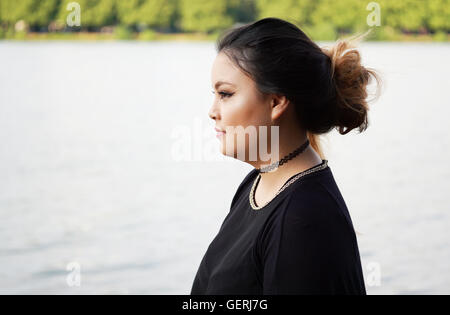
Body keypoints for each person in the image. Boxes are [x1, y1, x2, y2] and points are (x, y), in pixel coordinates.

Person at [190, 17, 380, 295]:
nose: (212, 110)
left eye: (225, 94)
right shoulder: (257, 184)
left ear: (276, 102)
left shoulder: (304, 220)